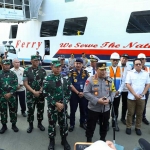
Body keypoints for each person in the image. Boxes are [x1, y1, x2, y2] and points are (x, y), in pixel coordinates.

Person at [84, 62, 116, 142]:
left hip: (106, 109)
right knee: (91, 126)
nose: (103, 72)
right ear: (96, 69)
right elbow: (86, 93)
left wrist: (109, 99)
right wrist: (97, 100)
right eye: (101, 70)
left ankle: (102, 139)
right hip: (93, 109)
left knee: (104, 126)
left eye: (105, 70)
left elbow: (113, 92)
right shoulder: (90, 79)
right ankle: (89, 140)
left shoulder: (109, 80)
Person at [43, 60, 71, 150]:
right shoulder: (47, 79)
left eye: (59, 67)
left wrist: (63, 103)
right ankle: (52, 141)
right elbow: (45, 93)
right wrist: (55, 103)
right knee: (52, 124)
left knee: (63, 123)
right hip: (52, 106)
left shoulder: (65, 78)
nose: (58, 69)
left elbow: (69, 92)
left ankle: (64, 140)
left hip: (63, 106)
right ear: (52, 67)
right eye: (56, 67)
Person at [125, 58, 150, 136]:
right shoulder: (130, 73)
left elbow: (148, 84)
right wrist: (135, 94)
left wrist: (142, 94)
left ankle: (137, 128)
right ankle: (128, 127)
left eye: (140, 64)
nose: (138, 65)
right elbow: (127, 84)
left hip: (142, 98)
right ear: (134, 65)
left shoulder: (146, 73)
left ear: (142, 64)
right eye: (137, 64)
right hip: (131, 97)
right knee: (130, 113)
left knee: (140, 113)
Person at [23, 55, 46, 133]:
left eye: (38, 61)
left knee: (40, 110)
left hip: (40, 95)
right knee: (30, 110)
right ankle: (30, 125)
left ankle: (40, 124)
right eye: (35, 61)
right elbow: (25, 83)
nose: (37, 62)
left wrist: (40, 91)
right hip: (30, 95)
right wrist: (33, 92)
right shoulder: (26, 70)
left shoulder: (43, 70)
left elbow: (44, 82)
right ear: (31, 61)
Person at [68, 58, 89, 132]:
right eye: (77, 63)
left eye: (79, 63)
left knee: (83, 110)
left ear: (82, 64)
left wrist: (83, 92)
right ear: (74, 64)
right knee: (73, 110)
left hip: (84, 94)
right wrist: (77, 92)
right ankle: (72, 124)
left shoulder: (86, 73)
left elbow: (88, 84)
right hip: (74, 94)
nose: (78, 65)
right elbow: (70, 84)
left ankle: (82, 123)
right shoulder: (70, 72)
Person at [0, 59, 19, 134]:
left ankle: (14, 125)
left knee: (13, 111)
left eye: (8, 65)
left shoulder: (13, 74)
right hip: (2, 96)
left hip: (12, 96)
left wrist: (10, 93)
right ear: (2, 65)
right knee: (3, 111)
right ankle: (4, 126)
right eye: (5, 65)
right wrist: (4, 93)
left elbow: (15, 85)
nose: (7, 66)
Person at [108, 52, 122, 131]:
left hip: (117, 94)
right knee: (107, 109)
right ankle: (106, 123)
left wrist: (119, 90)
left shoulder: (121, 70)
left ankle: (114, 123)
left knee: (115, 109)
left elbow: (123, 82)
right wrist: (111, 91)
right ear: (111, 60)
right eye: (114, 60)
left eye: (117, 60)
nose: (115, 61)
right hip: (109, 93)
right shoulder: (107, 69)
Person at [118, 54, 132, 125]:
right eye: (123, 58)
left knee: (125, 105)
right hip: (117, 89)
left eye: (126, 59)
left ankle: (123, 118)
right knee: (115, 105)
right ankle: (114, 119)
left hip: (126, 89)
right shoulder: (116, 65)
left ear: (127, 60)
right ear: (120, 58)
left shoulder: (129, 67)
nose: (124, 59)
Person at [137, 53, 150, 125]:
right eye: (140, 59)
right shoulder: (134, 68)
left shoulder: (148, 69)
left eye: (143, 59)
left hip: (145, 90)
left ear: (145, 60)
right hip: (136, 90)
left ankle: (143, 117)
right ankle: (133, 118)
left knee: (143, 105)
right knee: (134, 104)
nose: (142, 61)